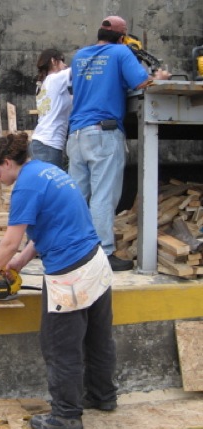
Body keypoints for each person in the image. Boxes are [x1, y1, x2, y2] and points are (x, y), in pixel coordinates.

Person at [0, 132, 117, 429]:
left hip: (70, 273)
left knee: (59, 347)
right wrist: (22, 262)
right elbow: (50, 223)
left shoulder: (25, 186)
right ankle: (102, 397)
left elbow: (9, 242)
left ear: (8, 163)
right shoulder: (49, 171)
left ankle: (66, 415)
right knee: (97, 338)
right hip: (95, 261)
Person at [67, 16, 171, 271]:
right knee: (103, 197)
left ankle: (75, 251)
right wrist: (161, 77)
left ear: (99, 34)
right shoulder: (121, 52)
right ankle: (103, 253)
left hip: (76, 135)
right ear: (123, 37)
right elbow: (142, 82)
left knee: (78, 198)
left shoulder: (80, 56)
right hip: (104, 134)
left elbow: (74, 88)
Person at [29, 49, 72, 169]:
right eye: (62, 61)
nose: (65, 65)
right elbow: (79, 69)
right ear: (53, 61)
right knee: (51, 186)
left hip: (44, 143)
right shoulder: (54, 79)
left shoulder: (44, 84)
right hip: (49, 144)